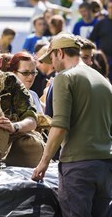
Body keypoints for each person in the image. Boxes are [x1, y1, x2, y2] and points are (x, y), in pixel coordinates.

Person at [32, 32, 112, 217]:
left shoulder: (65, 77)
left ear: (60, 53)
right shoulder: (103, 81)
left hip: (78, 167)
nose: (51, 63)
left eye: (51, 57)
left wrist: (43, 163)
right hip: (105, 166)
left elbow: (60, 126)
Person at [89, 0, 112, 82]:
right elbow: (90, 40)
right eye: (110, 7)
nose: (111, 9)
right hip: (105, 60)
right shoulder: (101, 23)